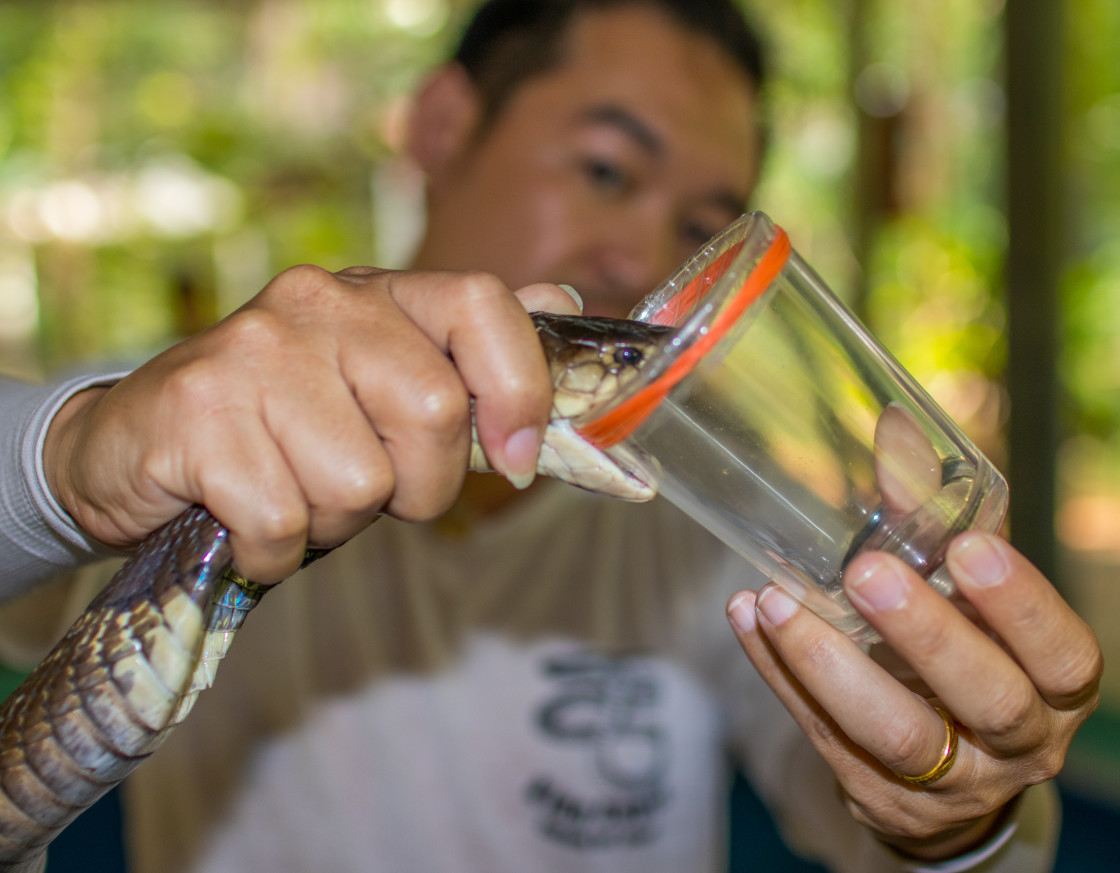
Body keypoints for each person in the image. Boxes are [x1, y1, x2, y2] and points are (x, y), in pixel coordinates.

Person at [0, 1, 1099, 872]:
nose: (636, 260)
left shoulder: (703, 522)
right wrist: (68, 463)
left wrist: (957, 813)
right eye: (606, 170)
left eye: (698, 225)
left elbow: (883, 834)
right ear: (440, 127)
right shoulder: (196, 411)